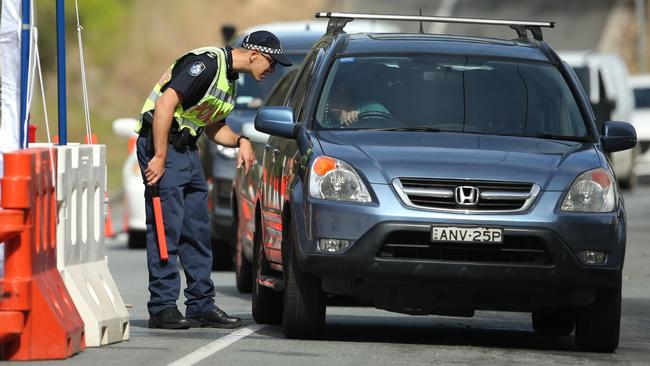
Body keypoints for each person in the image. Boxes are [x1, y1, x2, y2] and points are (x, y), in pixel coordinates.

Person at [135, 30, 292, 330]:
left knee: (197, 230)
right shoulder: (207, 65)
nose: (271, 70)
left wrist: (241, 140)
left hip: (188, 151)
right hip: (163, 146)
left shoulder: (229, 80)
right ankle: (163, 306)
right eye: (271, 63)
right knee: (165, 228)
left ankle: (200, 305)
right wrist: (158, 156)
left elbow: (212, 127)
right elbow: (166, 104)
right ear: (255, 54)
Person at [323, 80, 390, 127]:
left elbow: (388, 131)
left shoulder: (373, 108)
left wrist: (360, 123)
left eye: (342, 89)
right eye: (333, 89)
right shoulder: (323, 120)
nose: (338, 92)